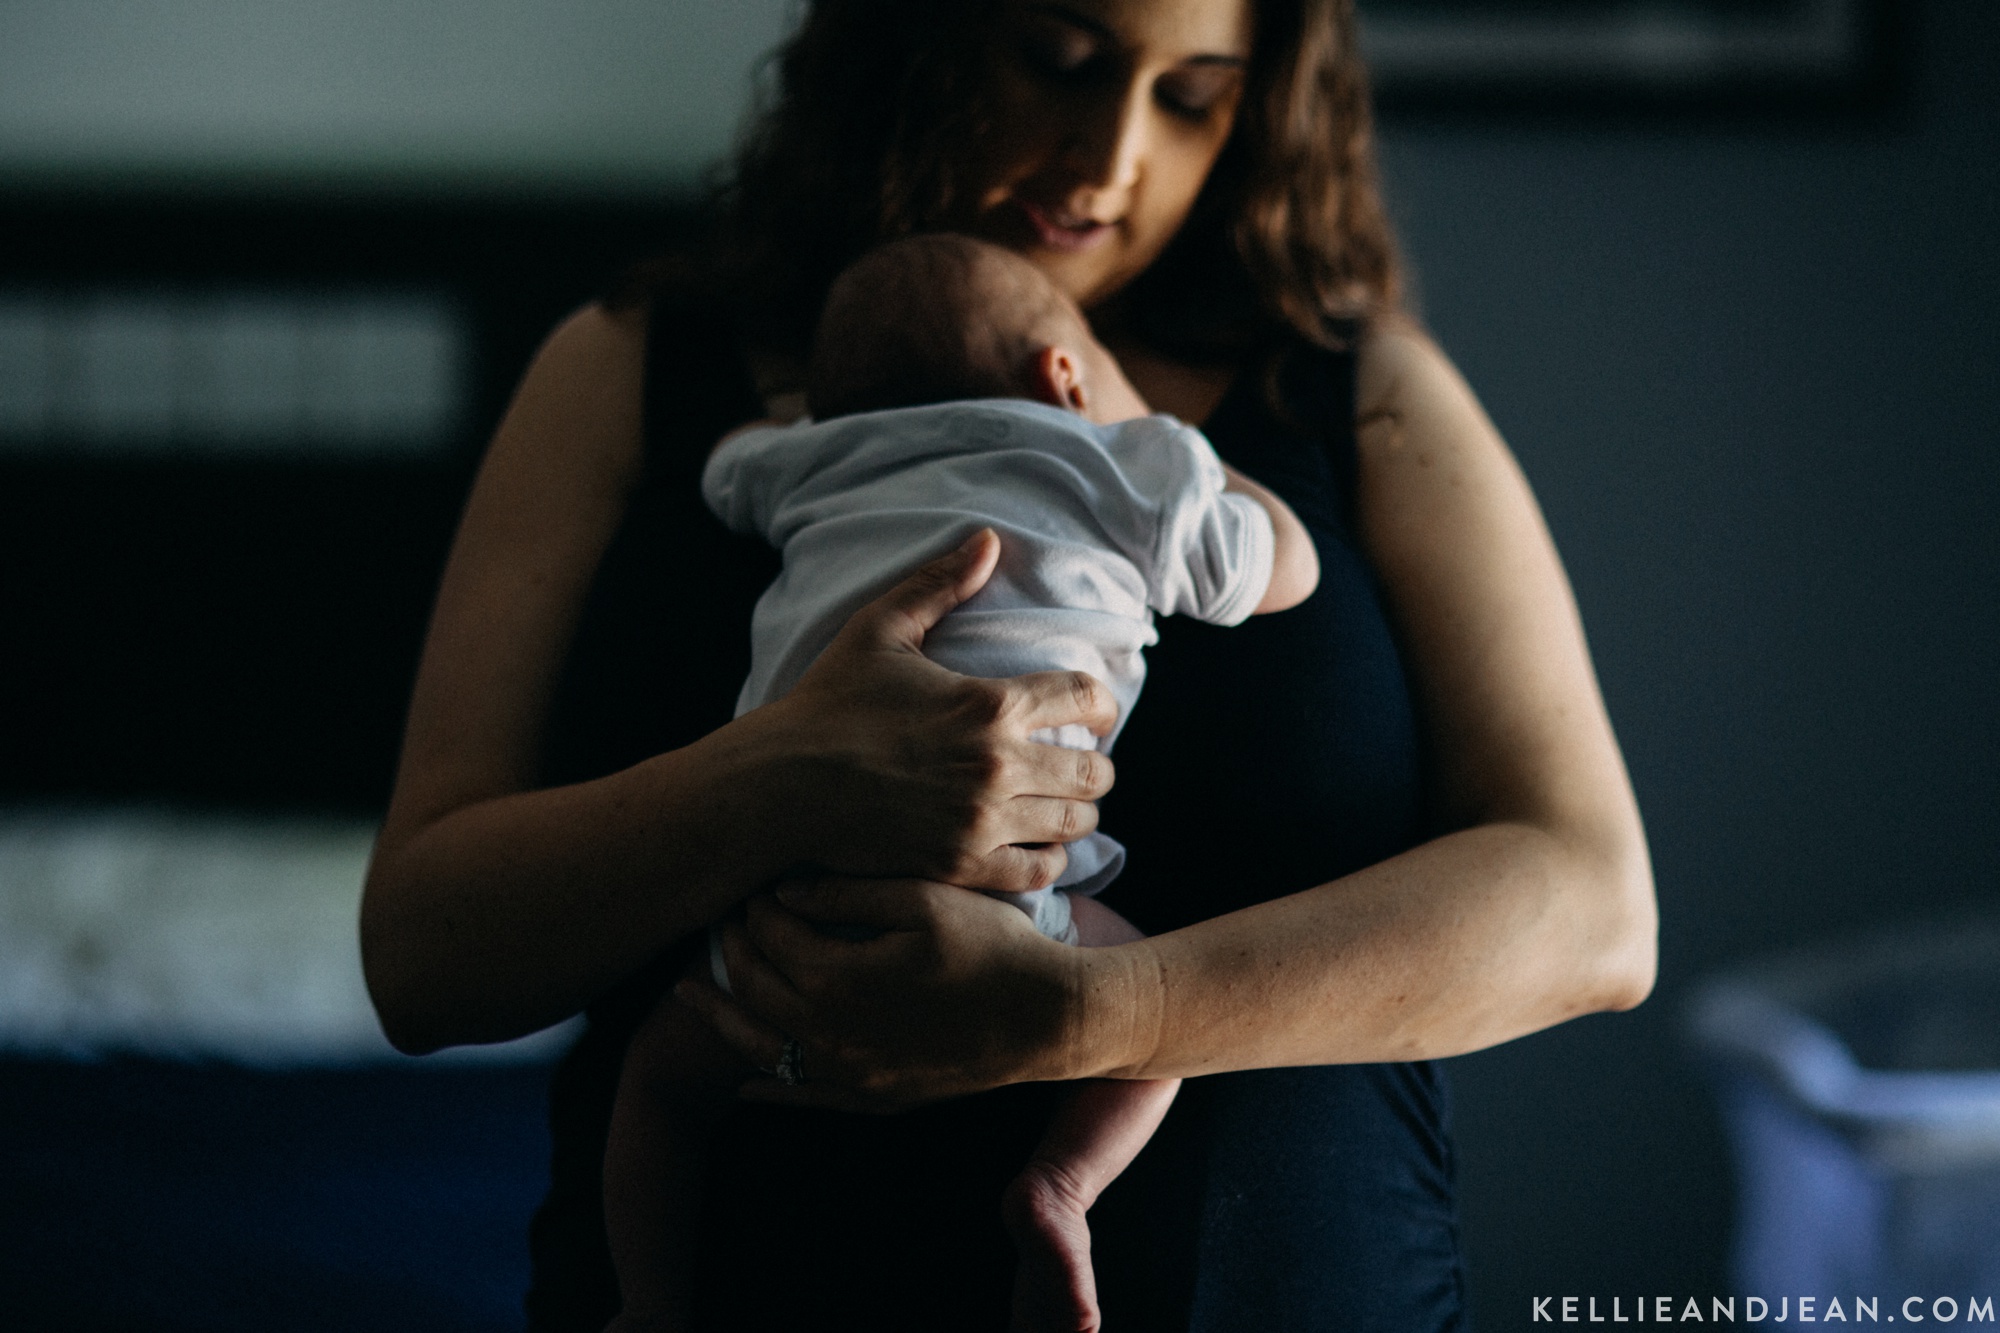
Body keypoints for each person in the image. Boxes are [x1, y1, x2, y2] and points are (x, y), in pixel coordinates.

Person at [359, 1, 1657, 1329]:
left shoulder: (1354, 392)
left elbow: (1593, 910)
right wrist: (782, 779)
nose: (1109, 159)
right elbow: (421, 959)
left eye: (1194, 96)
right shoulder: (636, 375)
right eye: (1057, 61)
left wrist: (1098, 1013)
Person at [600, 232, 1320, 1333]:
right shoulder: (1121, 470)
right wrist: (1171, 445)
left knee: (660, 1080)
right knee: (1156, 1023)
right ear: (1062, 374)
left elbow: (725, 467)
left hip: (789, 903)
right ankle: (1059, 1186)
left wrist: (804, 415)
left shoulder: (811, 459)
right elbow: (1280, 570)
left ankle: (646, 1305)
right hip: (1014, 896)